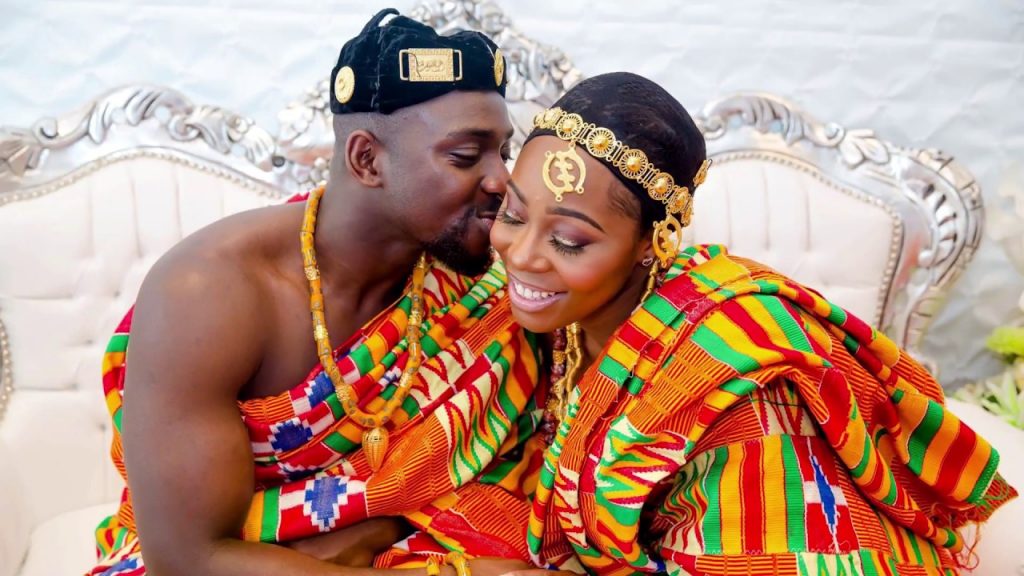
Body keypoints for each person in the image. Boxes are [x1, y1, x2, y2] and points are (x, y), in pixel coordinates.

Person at [487, 72, 1017, 575]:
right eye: (512, 215)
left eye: (570, 241)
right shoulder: (568, 318)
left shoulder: (738, 393)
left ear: (654, 243)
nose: (523, 254)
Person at [89, 9, 543, 576]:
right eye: (465, 156)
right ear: (366, 159)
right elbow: (188, 558)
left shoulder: (482, 278)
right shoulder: (209, 291)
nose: (502, 179)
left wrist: (379, 524)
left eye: (504, 150)